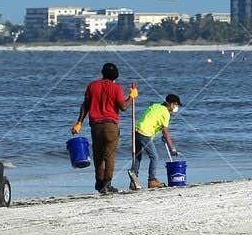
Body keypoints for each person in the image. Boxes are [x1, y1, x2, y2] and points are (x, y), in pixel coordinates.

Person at [72, 62, 137, 195]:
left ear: (102, 73)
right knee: (109, 156)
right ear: (116, 76)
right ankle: (107, 184)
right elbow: (123, 107)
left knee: (98, 156)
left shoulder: (92, 86)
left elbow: (85, 106)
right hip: (110, 126)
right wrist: (131, 97)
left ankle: (99, 182)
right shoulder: (116, 88)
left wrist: (79, 122)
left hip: (95, 126)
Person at [129, 94, 182, 190]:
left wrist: (162, 135)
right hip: (145, 133)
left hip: (136, 130)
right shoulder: (166, 113)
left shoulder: (156, 106)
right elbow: (165, 132)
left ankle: (133, 181)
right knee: (154, 157)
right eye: (176, 105)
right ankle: (152, 180)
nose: (176, 107)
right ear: (171, 104)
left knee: (137, 157)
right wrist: (172, 148)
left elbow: (153, 119)